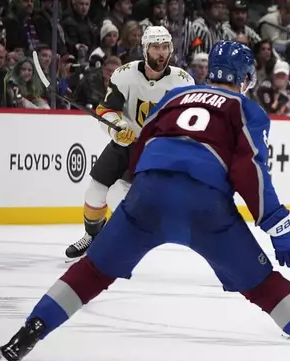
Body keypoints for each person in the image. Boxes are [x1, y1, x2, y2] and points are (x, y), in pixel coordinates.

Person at [0, 41, 290, 361]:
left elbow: (141, 147)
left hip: (147, 195)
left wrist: (144, 189)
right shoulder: (244, 108)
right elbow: (249, 169)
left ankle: (25, 336)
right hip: (204, 207)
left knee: (92, 271)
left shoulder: (175, 94)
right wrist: (275, 220)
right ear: (246, 78)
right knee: (263, 285)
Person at [65, 26, 195, 260]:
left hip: (156, 153)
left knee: (117, 194)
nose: (161, 52)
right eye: (156, 47)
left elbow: (188, 123)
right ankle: (92, 236)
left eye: (165, 47)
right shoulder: (124, 75)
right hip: (125, 143)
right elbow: (105, 111)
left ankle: (121, 240)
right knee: (95, 192)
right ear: (145, 49)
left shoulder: (183, 82)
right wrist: (118, 129)